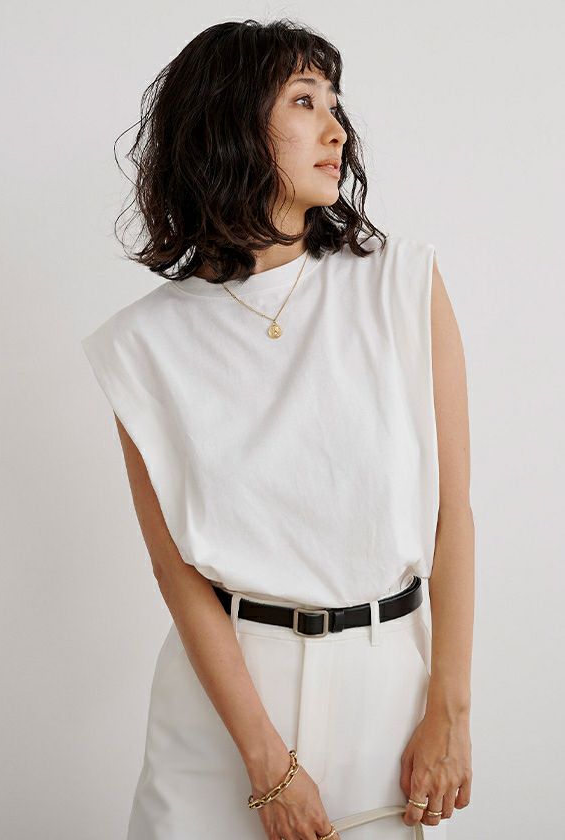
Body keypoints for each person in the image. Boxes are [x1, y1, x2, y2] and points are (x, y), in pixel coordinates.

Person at [82, 18, 474, 840]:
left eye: (334, 102)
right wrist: (267, 765)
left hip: (388, 701)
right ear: (230, 123)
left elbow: (453, 517)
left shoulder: (402, 286)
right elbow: (175, 568)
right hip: (224, 714)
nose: (337, 130)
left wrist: (450, 709)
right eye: (304, 101)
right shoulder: (142, 344)